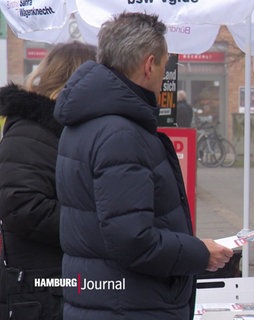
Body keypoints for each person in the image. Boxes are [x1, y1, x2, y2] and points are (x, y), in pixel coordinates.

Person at [53, 13, 233, 320]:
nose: (165, 76)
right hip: (131, 304)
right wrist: (200, 254)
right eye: (164, 65)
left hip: (108, 300)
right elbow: (132, 240)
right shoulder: (120, 133)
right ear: (149, 65)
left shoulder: (89, 122)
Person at [0, 41, 96, 320]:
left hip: (55, 282)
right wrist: (96, 225)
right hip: (41, 287)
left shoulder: (58, 130)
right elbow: (21, 206)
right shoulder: (32, 130)